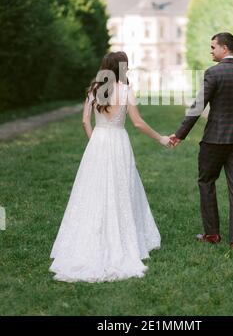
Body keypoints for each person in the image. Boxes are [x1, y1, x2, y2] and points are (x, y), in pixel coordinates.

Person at [49, 51, 171, 283]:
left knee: (92, 191)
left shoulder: (94, 90)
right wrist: (161, 138)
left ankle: (86, 238)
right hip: (118, 142)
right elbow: (137, 122)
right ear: (122, 68)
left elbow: (85, 120)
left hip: (98, 142)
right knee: (121, 188)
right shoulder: (125, 90)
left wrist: (94, 139)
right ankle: (122, 239)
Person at [170, 33, 233, 250]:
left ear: (224, 48)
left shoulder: (214, 73)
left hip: (214, 140)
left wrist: (180, 134)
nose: (211, 51)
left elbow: (198, 107)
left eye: (213, 47)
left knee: (206, 181)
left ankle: (212, 234)